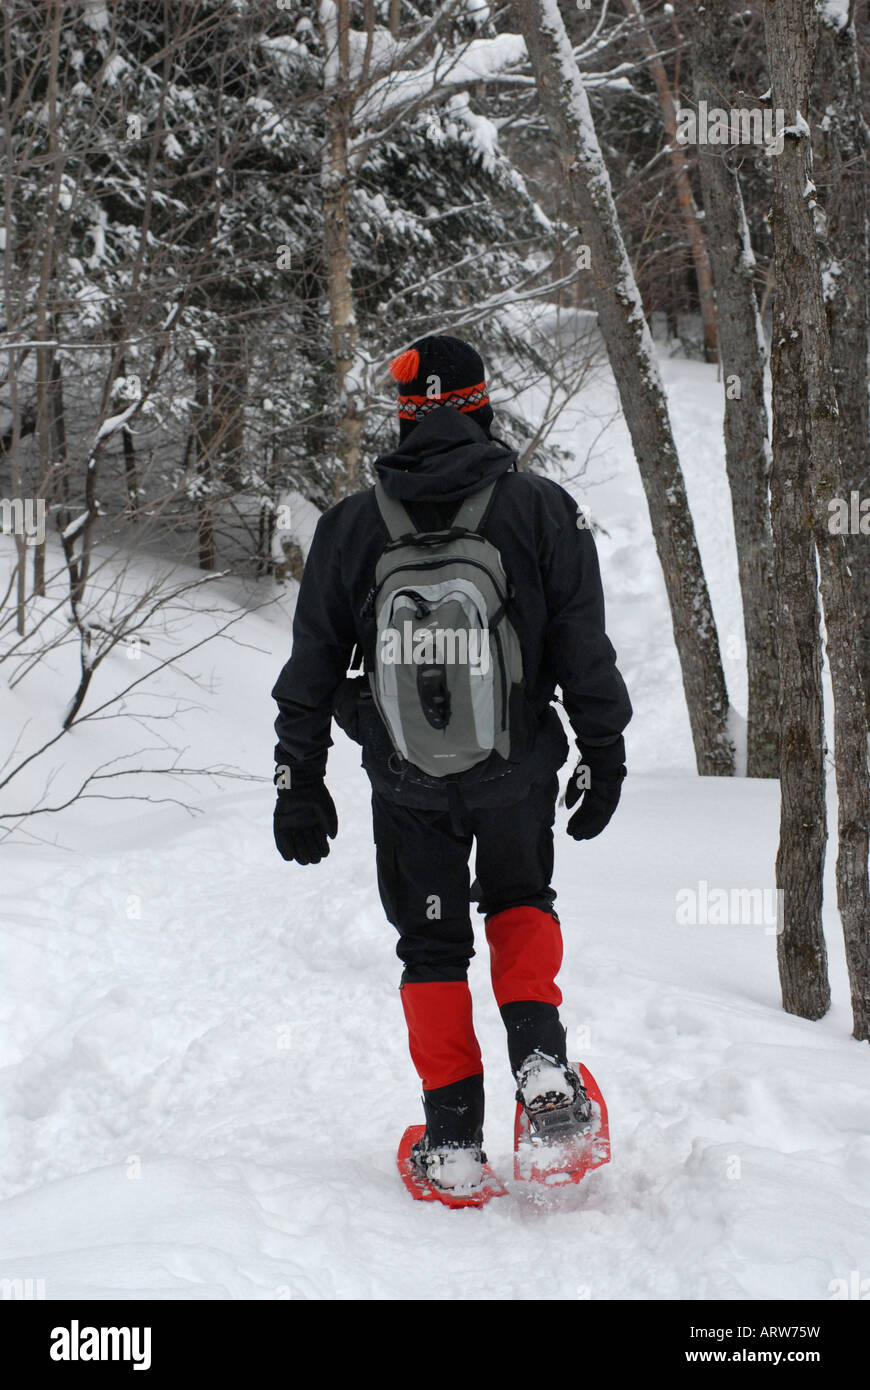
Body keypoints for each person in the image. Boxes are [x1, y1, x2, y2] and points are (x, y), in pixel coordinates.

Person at [271, 334, 631, 1193]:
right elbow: (584, 647)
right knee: (517, 902)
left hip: (405, 783)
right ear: (480, 404)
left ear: (403, 417)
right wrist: (602, 752)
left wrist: (300, 776)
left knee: (430, 944)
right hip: (515, 773)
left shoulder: (351, 525)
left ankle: (453, 1146)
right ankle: (543, 1072)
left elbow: (313, 665)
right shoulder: (542, 508)